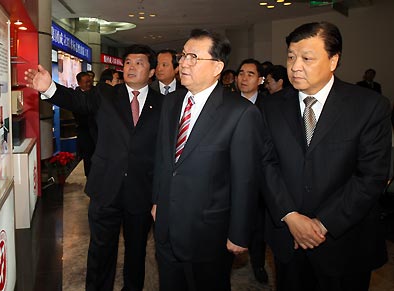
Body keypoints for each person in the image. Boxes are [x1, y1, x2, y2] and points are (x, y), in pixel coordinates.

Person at [261, 21, 391, 291]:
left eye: (307, 58)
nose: (295, 66)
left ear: (333, 60)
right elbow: (265, 164)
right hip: (288, 237)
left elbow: (372, 176)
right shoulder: (271, 106)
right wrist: (290, 216)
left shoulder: (368, 106)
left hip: (345, 241)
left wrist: (321, 224)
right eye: (291, 57)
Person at [25, 44, 164, 291]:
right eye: (128, 62)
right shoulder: (106, 94)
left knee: (137, 251)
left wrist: (160, 196)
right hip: (105, 189)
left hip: (141, 192)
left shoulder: (164, 105)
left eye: (139, 63)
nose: (131, 67)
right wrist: (49, 88)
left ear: (152, 71)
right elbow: (77, 100)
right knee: (101, 251)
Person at [152, 28, 264, 291]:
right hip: (166, 225)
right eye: (183, 55)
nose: (183, 63)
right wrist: (157, 199)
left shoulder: (240, 113)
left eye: (193, 57)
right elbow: (162, 156)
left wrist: (239, 233)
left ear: (217, 67)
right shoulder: (172, 102)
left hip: (208, 233)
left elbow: (245, 179)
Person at [235, 58, 268, 284]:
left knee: (257, 226)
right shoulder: (225, 103)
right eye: (241, 73)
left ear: (261, 80)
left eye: (250, 74)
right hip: (230, 177)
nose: (244, 78)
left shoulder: (271, 107)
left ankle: (257, 263)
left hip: (259, 178)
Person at [73, 71, 97, 177]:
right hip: (85, 131)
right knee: (88, 157)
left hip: (97, 130)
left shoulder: (96, 93)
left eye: (90, 81)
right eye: (86, 82)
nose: (89, 84)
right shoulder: (76, 96)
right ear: (79, 83)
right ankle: (90, 179)